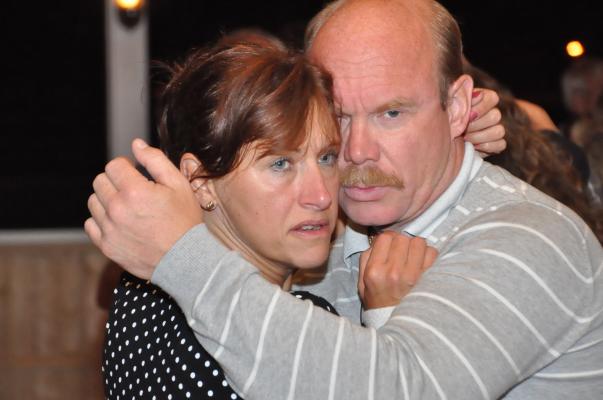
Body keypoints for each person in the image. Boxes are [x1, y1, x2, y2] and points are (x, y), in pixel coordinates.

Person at [86, 0, 603, 398]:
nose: (355, 151)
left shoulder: (530, 238)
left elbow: (404, 389)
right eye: (338, 116)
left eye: (391, 113)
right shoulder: (322, 229)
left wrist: (184, 257)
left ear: (457, 107)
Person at [100, 36, 439, 400]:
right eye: (280, 164)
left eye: (326, 158)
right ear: (201, 182)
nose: (322, 196)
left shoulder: (143, 294)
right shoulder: (233, 342)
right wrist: (388, 316)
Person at [463, 60, 601, 243]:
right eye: (577, 92)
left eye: (586, 92)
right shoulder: (532, 116)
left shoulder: (532, 119)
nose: (580, 99)